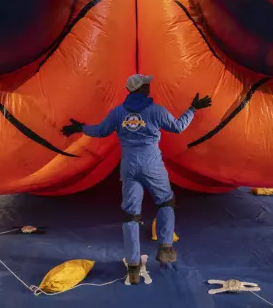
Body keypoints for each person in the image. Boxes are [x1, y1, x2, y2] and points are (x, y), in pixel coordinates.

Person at [61, 74, 212, 284]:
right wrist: (192, 109)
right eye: (147, 85)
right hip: (152, 165)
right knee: (166, 201)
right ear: (140, 89)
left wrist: (80, 128)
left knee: (131, 215)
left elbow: (101, 130)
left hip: (129, 166)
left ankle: (133, 268)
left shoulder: (118, 112)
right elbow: (177, 127)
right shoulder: (156, 110)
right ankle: (165, 247)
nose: (150, 87)